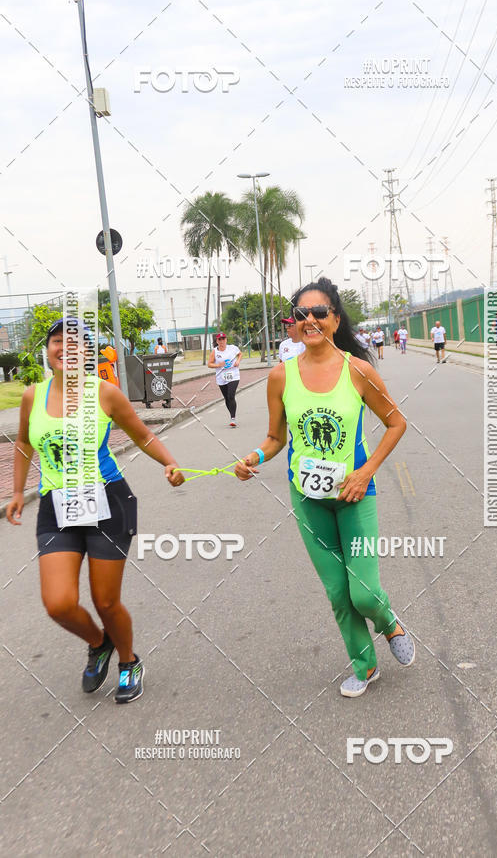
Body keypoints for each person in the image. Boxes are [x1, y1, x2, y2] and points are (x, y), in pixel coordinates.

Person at [235, 277, 414, 698]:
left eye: (319, 312)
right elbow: (276, 438)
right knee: (337, 592)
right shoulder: (280, 376)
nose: (310, 319)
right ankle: (365, 666)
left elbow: (396, 422)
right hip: (309, 499)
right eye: (301, 314)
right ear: (293, 324)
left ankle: (389, 623)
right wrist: (254, 458)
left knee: (364, 593)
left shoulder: (358, 371)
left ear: (335, 319)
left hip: (355, 495)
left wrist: (366, 471)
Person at [6, 317, 185, 703]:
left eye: (75, 343)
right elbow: (22, 442)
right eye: (57, 341)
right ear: (48, 349)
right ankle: (98, 642)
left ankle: (128, 660)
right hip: (56, 506)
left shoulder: (105, 393)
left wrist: (169, 463)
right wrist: (18, 492)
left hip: (109, 501)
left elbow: (143, 434)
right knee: (59, 603)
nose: (65, 348)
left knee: (105, 600)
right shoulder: (31, 396)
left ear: (86, 353)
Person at [208, 332, 242, 427]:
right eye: (220, 339)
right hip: (221, 377)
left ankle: (233, 418)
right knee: (227, 398)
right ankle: (232, 415)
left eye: (223, 339)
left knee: (231, 396)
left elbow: (240, 354)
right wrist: (218, 365)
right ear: (217, 341)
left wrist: (238, 361)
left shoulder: (232, 348)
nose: (222, 341)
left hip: (233, 375)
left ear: (226, 340)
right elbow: (209, 364)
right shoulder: (215, 351)